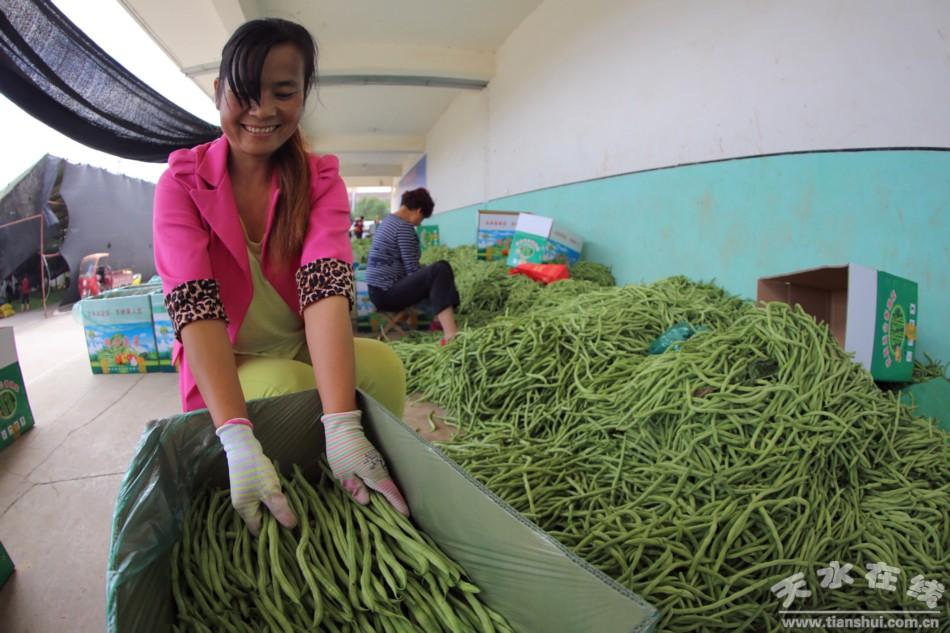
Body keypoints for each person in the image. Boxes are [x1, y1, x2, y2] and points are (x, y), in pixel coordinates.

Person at [152, 18, 408, 536]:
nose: (262, 110)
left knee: (382, 368)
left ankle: (351, 472)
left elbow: (325, 290)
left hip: (296, 343)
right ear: (218, 91)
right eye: (244, 93)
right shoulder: (181, 183)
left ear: (303, 95)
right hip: (232, 358)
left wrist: (342, 425)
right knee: (287, 388)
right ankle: (280, 489)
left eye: (283, 93)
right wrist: (236, 439)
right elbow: (195, 308)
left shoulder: (319, 181)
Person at [365, 188, 460, 344]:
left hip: (377, 292)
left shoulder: (388, 221)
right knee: (440, 269)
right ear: (418, 211)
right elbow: (412, 270)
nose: (419, 224)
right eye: (422, 218)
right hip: (387, 294)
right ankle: (451, 334)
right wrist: (428, 272)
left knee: (435, 272)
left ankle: (439, 318)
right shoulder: (403, 227)